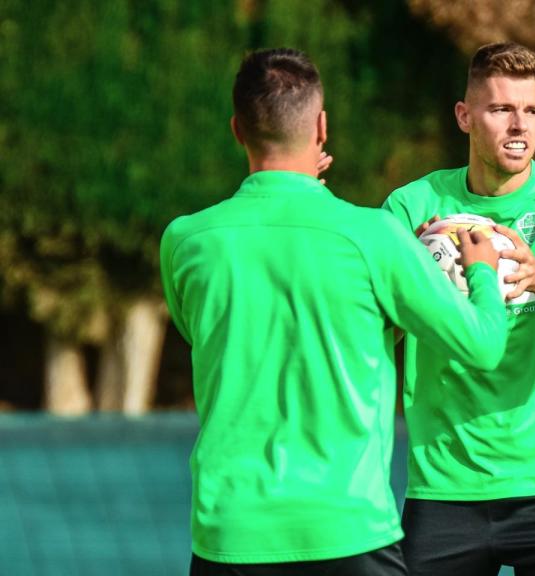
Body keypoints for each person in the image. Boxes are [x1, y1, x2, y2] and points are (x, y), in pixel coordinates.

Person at [160, 48, 510, 576]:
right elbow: (483, 344)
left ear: (237, 130)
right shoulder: (377, 238)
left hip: (230, 534)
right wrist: (480, 268)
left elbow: (217, 335)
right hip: (348, 532)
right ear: (322, 127)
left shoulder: (187, 241)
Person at [382, 42, 535, 575]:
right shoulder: (413, 208)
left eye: (532, 111)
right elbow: (376, 334)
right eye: (501, 110)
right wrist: (418, 286)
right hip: (446, 482)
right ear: (464, 117)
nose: (520, 126)